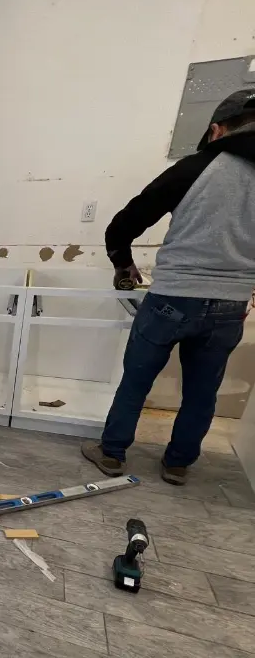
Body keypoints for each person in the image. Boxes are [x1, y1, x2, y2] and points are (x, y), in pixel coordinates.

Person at [82, 90, 255, 486]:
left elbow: (124, 224)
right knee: (202, 390)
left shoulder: (198, 166)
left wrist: (124, 265)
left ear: (216, 129)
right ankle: (177, 463)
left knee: (137, 379)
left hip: (173, 297)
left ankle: (111, 454)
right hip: (230, 305)